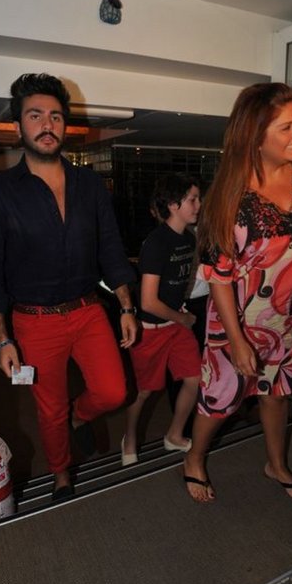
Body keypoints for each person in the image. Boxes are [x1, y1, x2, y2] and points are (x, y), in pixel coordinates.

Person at [0, 73, 137, 500]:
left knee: (113, 391)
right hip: (34, 321)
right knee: (48, 409)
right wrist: (2, 340)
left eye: (56, 116)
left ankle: (77, 417)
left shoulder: (89, 185)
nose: (47, 124)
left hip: (88, 310)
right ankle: (61, 472)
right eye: (36, 115)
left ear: (65, 125)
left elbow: (111, 248)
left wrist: (125, 305)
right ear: (18, 127)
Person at [183, 82, 292, 503]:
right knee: (221, 400)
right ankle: (194, 457)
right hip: (235, 320)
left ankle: (276, 464)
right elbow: (218, 276)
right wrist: (235, 341)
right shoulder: (229, 196)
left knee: (278, 393)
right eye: (286, 127)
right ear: (255, 135)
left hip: (286, 316)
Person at [121, 173, 202, 465]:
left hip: (176, 325)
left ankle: (174, 435)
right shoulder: (156, 243)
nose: (198, 205)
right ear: (173, 205)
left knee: (195, 378)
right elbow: (148, 302)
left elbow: (180, 282)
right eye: (192, 199)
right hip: (151, 329)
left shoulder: (189, 239)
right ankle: (130, 437)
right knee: (144, 391)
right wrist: (182, 318)